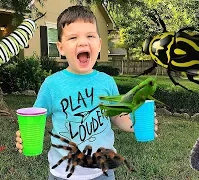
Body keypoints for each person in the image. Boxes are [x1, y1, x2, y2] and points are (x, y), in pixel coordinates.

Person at [15, 5, 158, 180]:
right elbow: (35, 119)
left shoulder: (107, 82)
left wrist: (136, 124)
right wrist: (25, 136)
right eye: (73, 37)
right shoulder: (52, 85)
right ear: (60, 47)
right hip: (62, 174)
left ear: (99, 43)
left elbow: (117, 116)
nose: (83, 42)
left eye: (90, 36)